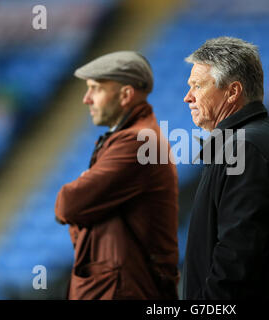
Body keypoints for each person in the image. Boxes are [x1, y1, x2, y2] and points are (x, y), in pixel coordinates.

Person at [182, 37, 269, 299]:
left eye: (197, 86)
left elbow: (235, 263)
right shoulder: (258, 141)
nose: (188, 97)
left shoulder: (245, 149)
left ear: (233, 92)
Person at [55, 51, 179, 300]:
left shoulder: (137, 140)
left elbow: (68, 205)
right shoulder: (131, 137)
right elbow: (77, 220)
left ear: (125, 95)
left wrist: (80, 195)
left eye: (95, 89)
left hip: (121, 291)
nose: (86, 99)